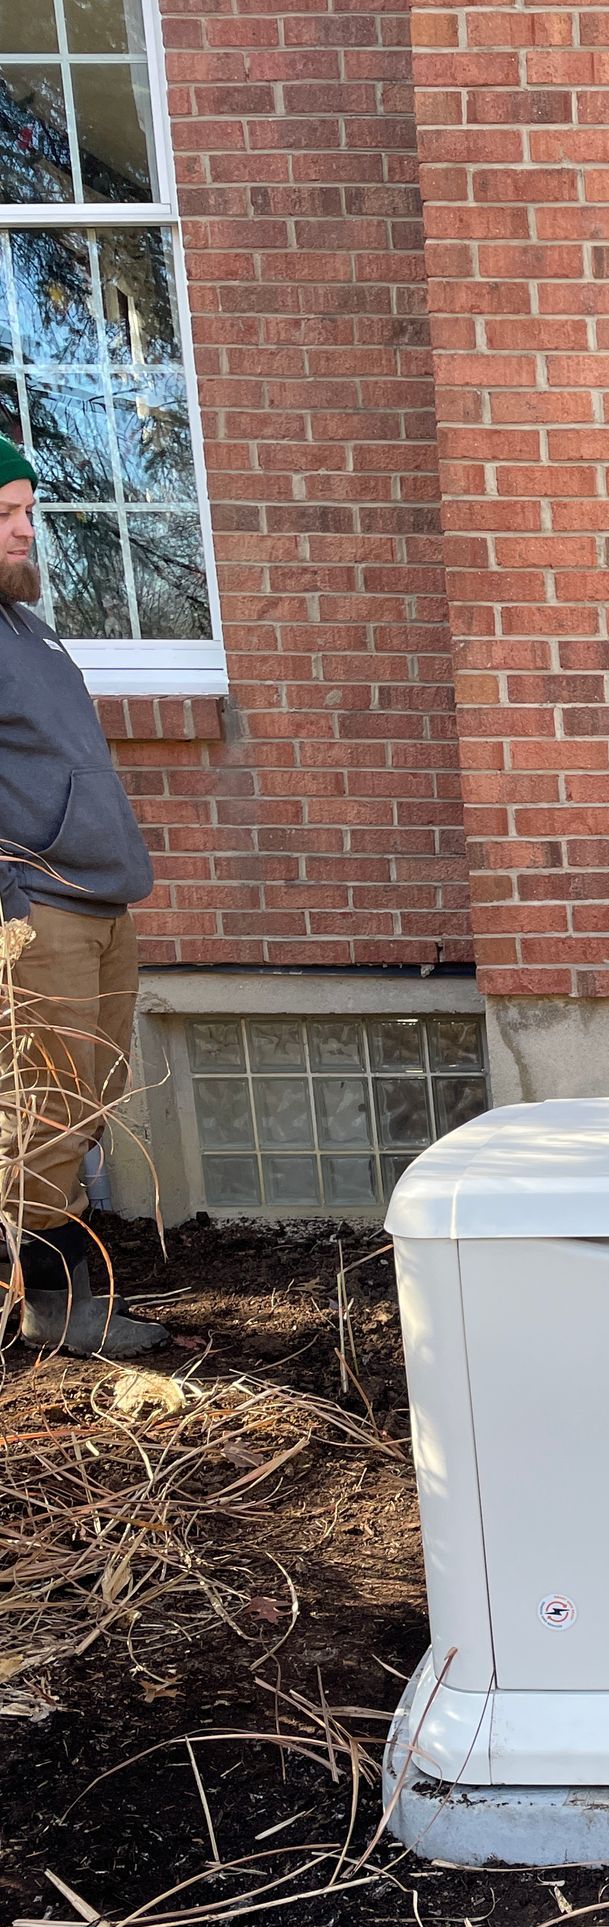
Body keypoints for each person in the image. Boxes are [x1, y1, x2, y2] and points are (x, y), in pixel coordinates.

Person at [0, 435, 168, 1356]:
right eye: (2, 515)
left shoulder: (27, 629)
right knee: (45, 1106)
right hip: (34, 905)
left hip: (99, 900)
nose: (25, 532)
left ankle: (58, 1303)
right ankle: (58, 1315)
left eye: (28, 511)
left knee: (87, 1099)